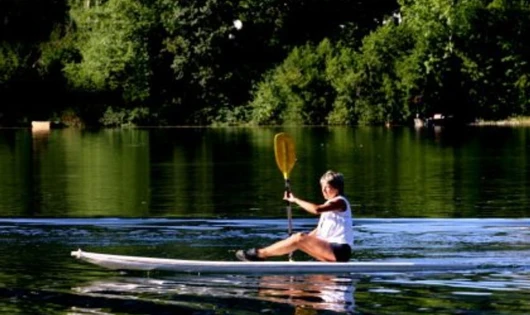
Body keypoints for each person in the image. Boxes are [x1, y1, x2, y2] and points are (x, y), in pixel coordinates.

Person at [236, 170, 353, 262]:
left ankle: (259, 254)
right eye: (322, 187)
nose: (323, 190)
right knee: (297, 238)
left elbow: (317, 209)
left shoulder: (340, 201)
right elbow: (318, 231)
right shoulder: (331, 206)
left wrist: (295, 199)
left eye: (327, 187)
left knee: (299, 237)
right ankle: (261, 255)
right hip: (331, 250)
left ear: (337, 188)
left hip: (340, 251)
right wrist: (294, 242)